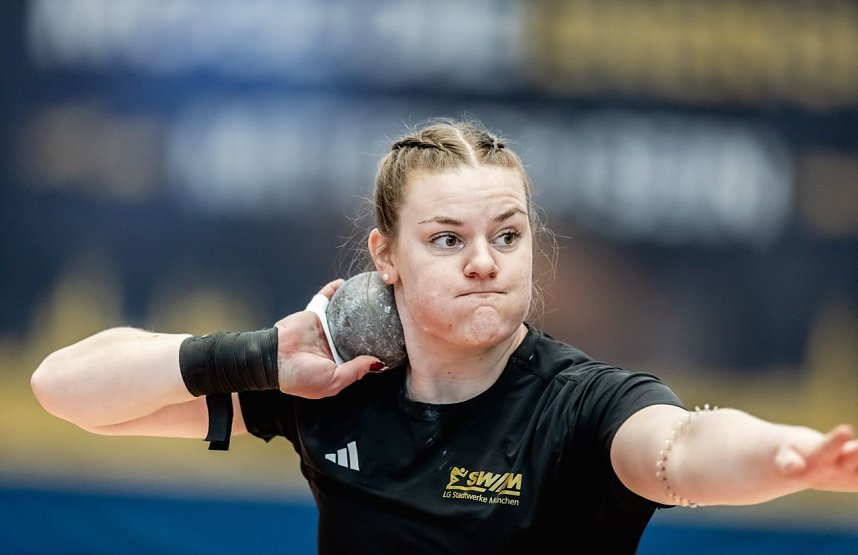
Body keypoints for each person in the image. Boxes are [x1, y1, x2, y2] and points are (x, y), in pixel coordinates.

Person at [31, 118, 858, 554]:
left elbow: (682, 449)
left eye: (507, 235)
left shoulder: (578, 406)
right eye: (447, 239)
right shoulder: (333, 384)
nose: (484, 263)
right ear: (385, 256)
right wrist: (259, 358)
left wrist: (792, 456)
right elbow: (65, 389)